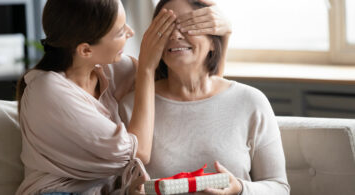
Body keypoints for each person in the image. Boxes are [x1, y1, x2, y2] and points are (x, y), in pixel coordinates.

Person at [120, 0, 291, 194]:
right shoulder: (130, 106)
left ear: (213, 41)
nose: (175, 35)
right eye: (166, 27)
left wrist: (240, 189)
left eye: (187, 26)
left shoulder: (251, 101)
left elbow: (279, 187)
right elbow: (114, 188)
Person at [15, 0, 178, 194]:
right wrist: (146, 69)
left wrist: (221, 38)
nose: (130, 32)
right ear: (85, 50)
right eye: (119, 32)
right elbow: (139, 152)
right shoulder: (47, 90)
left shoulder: (109, 68)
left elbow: (181, 82)